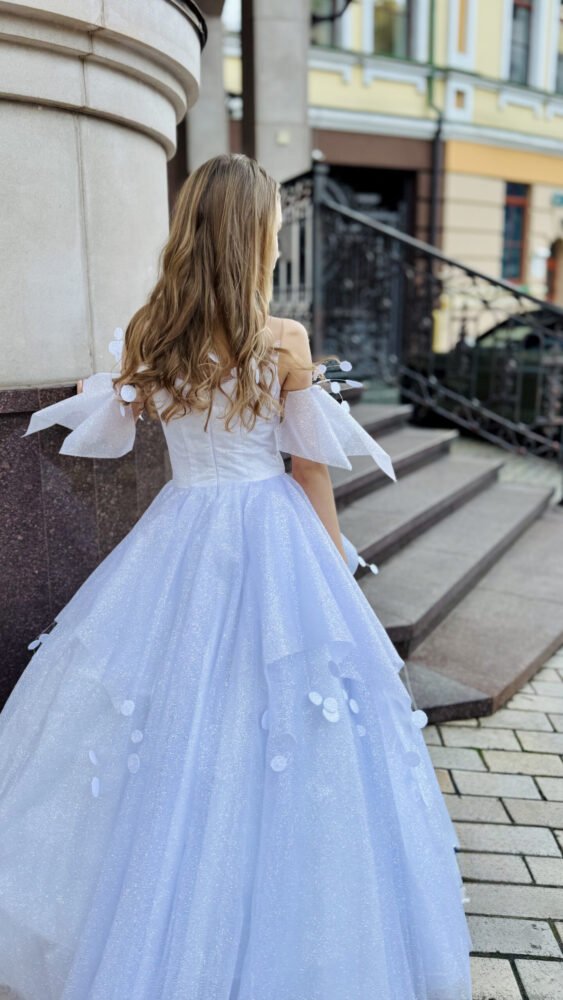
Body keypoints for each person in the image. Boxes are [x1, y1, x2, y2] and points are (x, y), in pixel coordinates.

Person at [0, 154, 472, 999]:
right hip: (269, 531)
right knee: (276, 716)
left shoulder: (151, 329)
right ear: (254, 233)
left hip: (180, 531)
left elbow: (129, 408)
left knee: (171, 717)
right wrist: (336, 579)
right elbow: (309, 471)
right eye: (276, 225)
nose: (282, 233)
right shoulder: (280, 339)